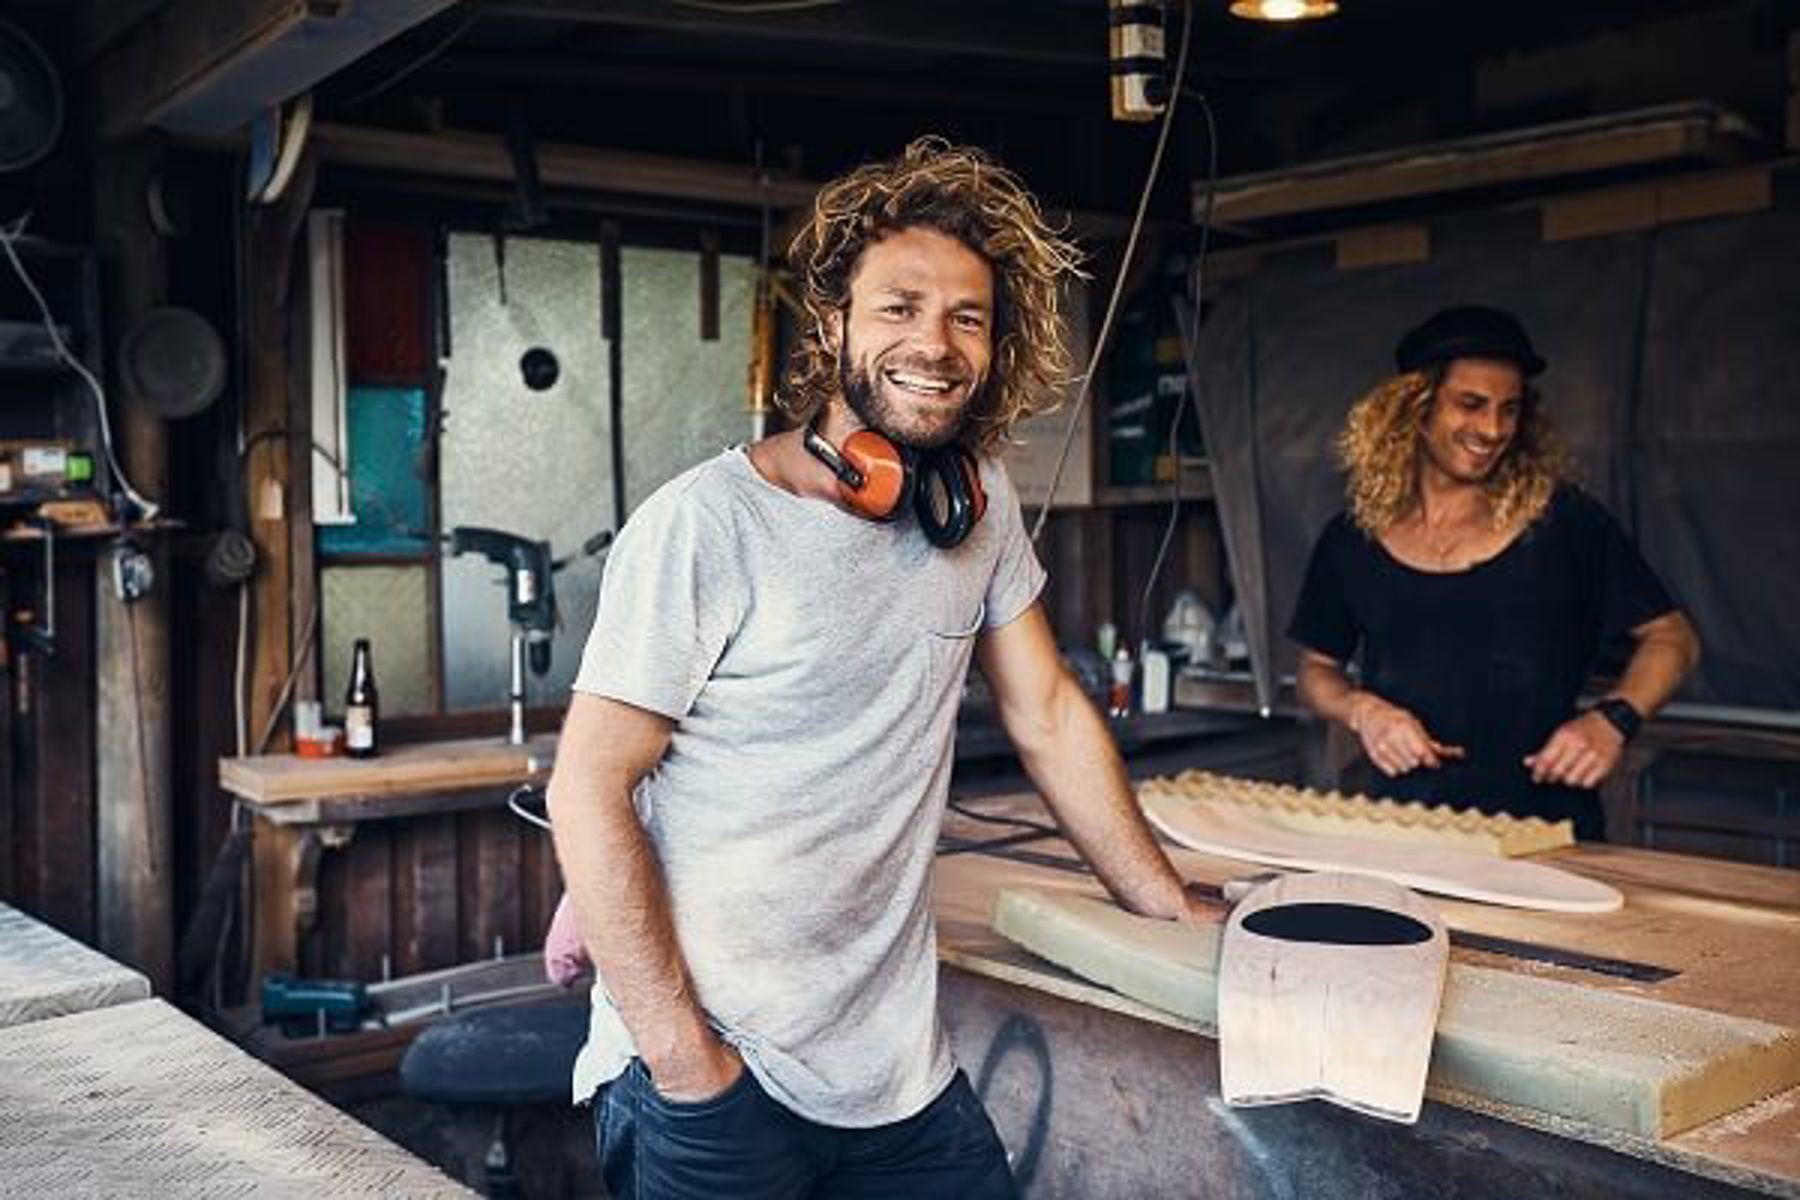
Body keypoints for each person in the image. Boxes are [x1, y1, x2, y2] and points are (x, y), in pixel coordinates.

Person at [546, 136, 1220, 1200]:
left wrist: (1168, 903)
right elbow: (587, 781)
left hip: (895, 1074)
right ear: (833, 327)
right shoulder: (707, 524)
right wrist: (685, 1063)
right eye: (899, 307)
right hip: (717, 1070)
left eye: (967, 316)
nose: (936, 343)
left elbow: (1044, 708)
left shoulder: (978, 507)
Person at [1289, 305, 1701, 839]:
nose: (1492, 429)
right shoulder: (1352, 539)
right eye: (1471, 404)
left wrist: (1612, 720)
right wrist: (1361, 710)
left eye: (1510, 410)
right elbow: (1314, 671)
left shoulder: (1563, 524)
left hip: (1548, 840)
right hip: (1402, 834)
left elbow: (1674, 639)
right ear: (1414, 407)